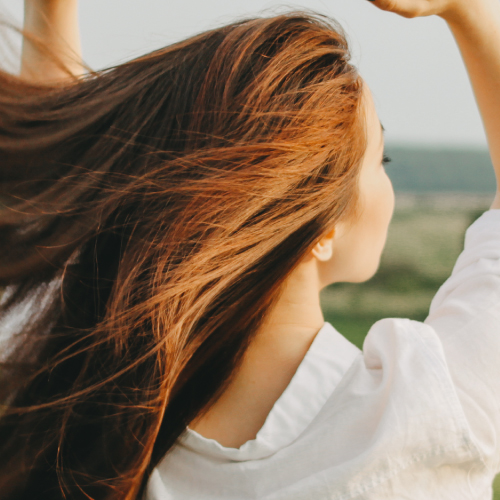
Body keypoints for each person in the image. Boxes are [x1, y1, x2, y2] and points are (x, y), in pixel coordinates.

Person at [0, 0, 500, 498]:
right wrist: (469, 11)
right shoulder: (424, 414)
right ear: (320, 229)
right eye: (379, 159)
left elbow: (57, 202)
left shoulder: (73, 395)